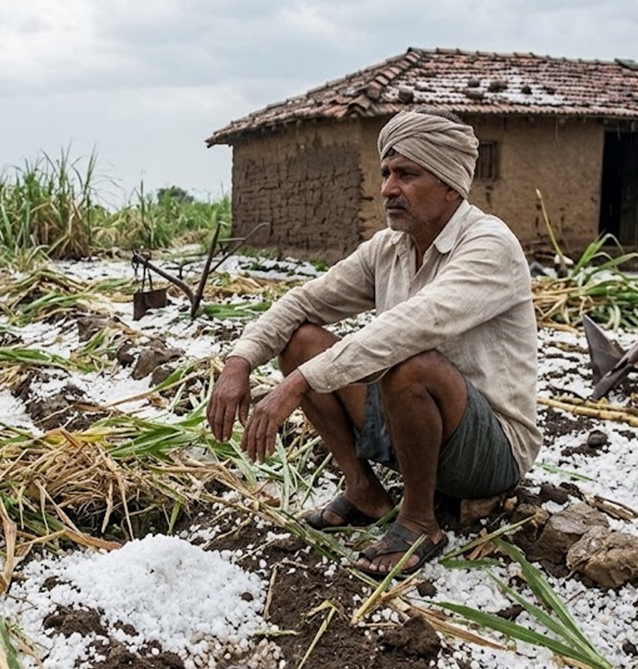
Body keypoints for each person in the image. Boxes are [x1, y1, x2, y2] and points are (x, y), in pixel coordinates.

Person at [205, 108, 541, 578]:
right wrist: (240, 361)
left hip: (488, 451)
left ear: (450, 185)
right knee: (302, 340)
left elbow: (411, 327)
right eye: (386, 173)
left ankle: (421, 520)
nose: (387, 188)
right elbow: (305, 302)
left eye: (406, 174)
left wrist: (300, 384)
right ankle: (363, 488)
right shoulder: (390, 247)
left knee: (410, 363)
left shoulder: (489, 246)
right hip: (412, 428)